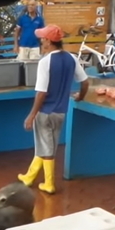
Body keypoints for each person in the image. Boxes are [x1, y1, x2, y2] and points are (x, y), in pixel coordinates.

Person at [18, 24, 89, 195]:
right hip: (61, 112)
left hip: (45, 112)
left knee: (47, 149)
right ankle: (29, 176)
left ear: (49, 41)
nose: (41, 41)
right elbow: (85, 82)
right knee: (45, 145)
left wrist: (31, 114)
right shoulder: (72, 58)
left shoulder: (46, 61)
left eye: (43, 38)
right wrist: (80, 97)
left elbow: (41, 92)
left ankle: (49, 183)